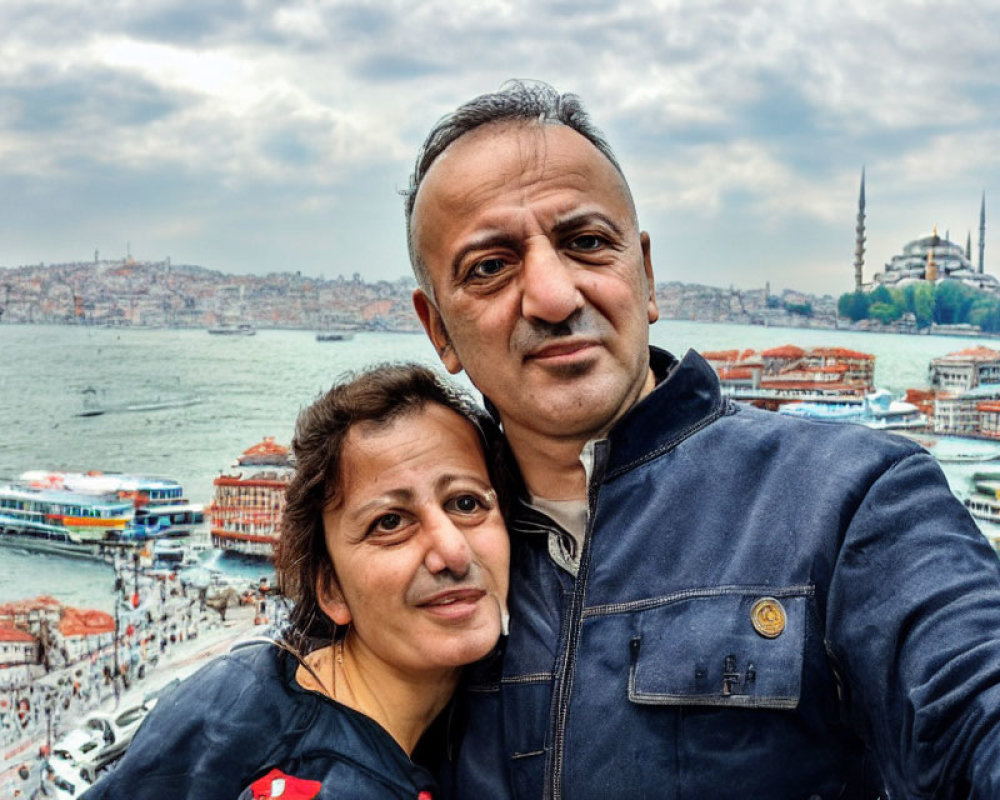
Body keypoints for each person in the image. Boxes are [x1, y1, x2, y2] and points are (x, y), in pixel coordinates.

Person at [405, 80, 1000, 798]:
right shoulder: (422, 558)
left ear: (646, 277)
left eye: (587, 243)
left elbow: (969, 694)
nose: (555, 297)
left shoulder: (848, 498)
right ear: (439, 330)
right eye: (491, 267)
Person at [82, 364, 509, 799]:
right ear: (330, 589)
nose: (452, 551)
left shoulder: (238, 684)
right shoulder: (329, 784)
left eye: (466, 503)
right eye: (390, 522)